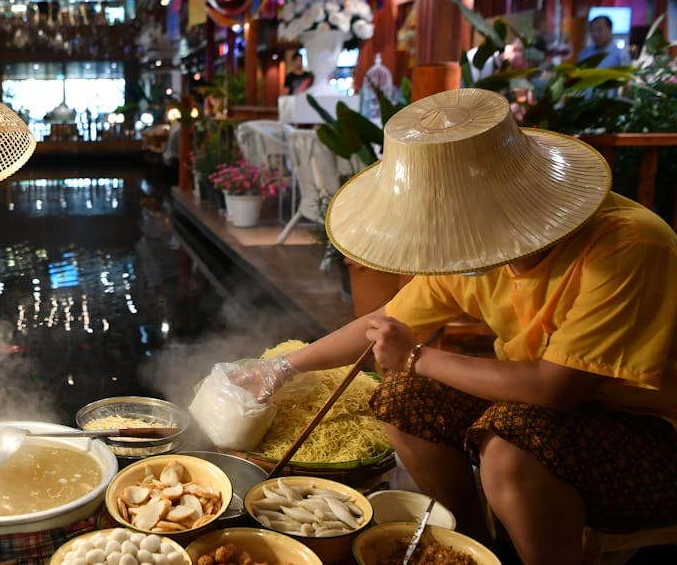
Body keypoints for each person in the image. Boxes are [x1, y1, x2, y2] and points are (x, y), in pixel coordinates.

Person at [231, 88, 677, 565]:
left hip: (649, 433)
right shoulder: (475, 246)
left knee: (509, 446)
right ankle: (475, 545)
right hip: (539, 407)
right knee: (401, 398)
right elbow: (382, 324)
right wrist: (281, 366)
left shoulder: (630, 245)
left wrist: (418, 358)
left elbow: (556, 388)